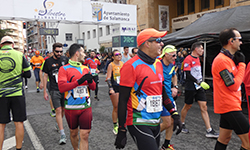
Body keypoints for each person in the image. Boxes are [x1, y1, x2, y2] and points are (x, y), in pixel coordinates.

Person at [114, 28, 182, 150]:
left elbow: (161, 92)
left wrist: (174, 113)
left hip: (155, 120)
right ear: (147, 43)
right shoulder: (131, 66)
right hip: (138, 121)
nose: (162, 44)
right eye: (158, 40)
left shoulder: (158, 64)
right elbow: (122, 100)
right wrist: (121, 130)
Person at [212, 28, 249, 150]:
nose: (241, 42)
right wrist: (242, 65)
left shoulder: (228, 59)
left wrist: (238, 65)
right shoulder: (222, 60)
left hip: (230, 104)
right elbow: (233, 85)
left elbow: (237, 81)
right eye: (239, 39)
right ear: (231, 41)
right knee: (248, 141)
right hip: (229, 105)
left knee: (224, 139)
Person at [58, 43, 95, 150]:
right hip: (71, 108)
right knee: (74, 133)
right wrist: (79, 81)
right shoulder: (64, 69)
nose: (85, 54)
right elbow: (62, 87)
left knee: (85, 134)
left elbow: (92, 87)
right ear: (77, 53)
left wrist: (90, 80)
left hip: (85, 107)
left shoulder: (85, 68)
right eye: (83, 52)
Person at [180, 42, 219, 138]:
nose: (203, 50)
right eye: (201, 48)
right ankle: (181, 124)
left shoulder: (198, 59)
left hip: (199, 86)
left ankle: (209, 130)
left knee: (204, 107)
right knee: (187, 106)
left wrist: (200, 82)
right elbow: (188, 74)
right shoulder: (188, 59)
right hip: (191, 86)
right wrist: (198, 82)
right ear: (196, 49)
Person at [0, 36, 31, 150]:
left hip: (1, 95)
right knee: (19, 122)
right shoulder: (19, 55)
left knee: (1, 124)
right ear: (12, 45)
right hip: (17, 93)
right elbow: (28, 74)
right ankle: (18, 148)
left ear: (1, 45)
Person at [42, 43, 69, 145]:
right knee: (58, 110)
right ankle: (62, 134)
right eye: (57, 51)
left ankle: (59, 124)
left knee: (63, 110)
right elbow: (45, 76)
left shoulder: (65, 60)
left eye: (61, 51)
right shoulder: (48, 62)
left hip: (65, 89)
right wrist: (45, 91)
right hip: (54, 89)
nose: (59, 53)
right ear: (53, 51)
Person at [159, 45, 178, 150]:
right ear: (166, 55)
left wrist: (174, 87)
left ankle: (166, 145)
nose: (175, 57)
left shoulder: (172, 65)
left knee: (173, 120)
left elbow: (174, 76)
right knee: (167, 122)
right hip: (158, 97)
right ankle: (151, 136)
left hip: (169, 96)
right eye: (173, 55)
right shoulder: (157, 64)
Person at [106, 49, 124, 135]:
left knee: (123, 107)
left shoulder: (122, 64)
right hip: (114, 87)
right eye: (117, 54)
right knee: (116, 107)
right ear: (113, 57)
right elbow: (108, 78)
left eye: (120, 54)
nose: (119, 56)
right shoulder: (111, 65)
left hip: (122, 87)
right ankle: (115, 125)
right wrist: (110, 88)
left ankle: (121, 123)